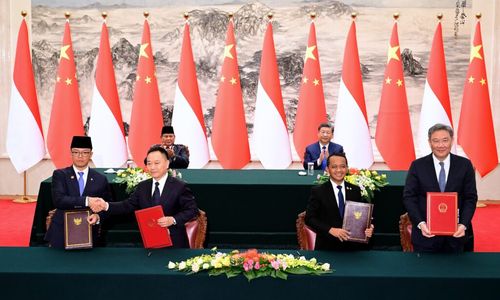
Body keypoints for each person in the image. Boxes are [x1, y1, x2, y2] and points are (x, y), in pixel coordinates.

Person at [90, 145, 198, 248]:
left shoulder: (179, 186)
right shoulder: (143, 186)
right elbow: (127, 205)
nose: (152, 167)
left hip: (175, 244)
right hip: (149, 243)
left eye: (157, 163)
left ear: (167, 163)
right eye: (149, 163)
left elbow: (192, 210)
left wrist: (173, 219)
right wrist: (105, 205)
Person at [403, 123, 477, 253]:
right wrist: (421, 224)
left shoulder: (464, 165)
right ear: (429, 142)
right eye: (435, 141)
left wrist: (463, 224)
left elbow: (470, 198)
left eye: (445, 140)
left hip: (456, 235)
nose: (440, 145)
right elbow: (409, 197)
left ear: (452, 141)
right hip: (425, 236)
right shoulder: (417, 166)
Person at [44, 136, 112, 248]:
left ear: (91, 155)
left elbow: (108, 206)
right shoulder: (60, 175)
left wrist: (98, 216)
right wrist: (87, 201)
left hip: (89, 232)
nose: (80, 156)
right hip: (62, 231)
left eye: (85, 152)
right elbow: (59, 200)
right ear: (71, 153)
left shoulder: (100, 179)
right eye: (76, 152)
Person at [305, 152, 374, 251]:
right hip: (327, 247)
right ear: (327, 169)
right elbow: (309, 218)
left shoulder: (355, 190)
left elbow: (360, 216)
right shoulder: (318, 191)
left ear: (346, 168)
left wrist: (368, 228)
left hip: (352, 248)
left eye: (342, 166)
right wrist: (330, 230)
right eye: (334, 167)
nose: (339, 170)